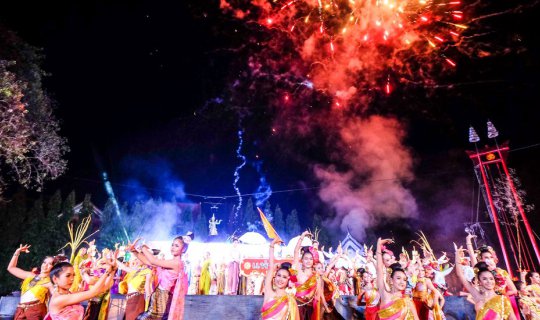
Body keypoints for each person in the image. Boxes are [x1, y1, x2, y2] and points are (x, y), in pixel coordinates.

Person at [127, 236, 187, 320]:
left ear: (183, 249)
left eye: (177, 246)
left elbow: (153, 261)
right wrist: (133, 251)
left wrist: (143, 247)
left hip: (163, 297)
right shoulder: (170, 261)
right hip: (158, 295)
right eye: (172, 245)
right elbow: (148, 262)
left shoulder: (177, 263)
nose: (173, 247)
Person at [455, 246, 517, 320]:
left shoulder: (502, 299)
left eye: (491, 279)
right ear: (480, 282)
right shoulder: (477, 295)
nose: (489, 281)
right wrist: (457, 257)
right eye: (484, 279)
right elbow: (460, 275)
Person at [47, 258, 116, 320]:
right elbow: (93, 292)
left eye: (73, 275)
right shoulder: (58, 299)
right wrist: (107, 272)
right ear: (55, 279)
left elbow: (103, 289)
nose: (72, 279)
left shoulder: (69, 294)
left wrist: (112, 271)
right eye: (68, 275)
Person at [376, 238, 419, 320]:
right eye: (398, 278)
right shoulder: (385, 296)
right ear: (391, 281)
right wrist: (378, 245)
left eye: (404, 279)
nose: (402, 282)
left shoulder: (408, 302)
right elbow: (379, 269)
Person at [7, 244, 54, 320]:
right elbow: (11, 268)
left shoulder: (50, 282)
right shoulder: (31, 276)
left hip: (36, 312)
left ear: (54, 267)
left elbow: (56, 297)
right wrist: (17, 252)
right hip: (21, 310)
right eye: (44, 262)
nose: (46, 265)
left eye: (50, 264)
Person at [261, 238, 299, 320]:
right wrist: (272, 246)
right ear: (274, 277)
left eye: (284, 277)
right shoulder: (269, 292)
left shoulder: (290, 300)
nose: (280, 279)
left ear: (288, 280)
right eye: (279, 275)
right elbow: (271, 267)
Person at [293, 231, 321, 320]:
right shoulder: (298, 271)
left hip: (310, 310)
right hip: (297, 308)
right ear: (302, 260)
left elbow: (318, 296)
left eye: (310, 259)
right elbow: (296, 251)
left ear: (313, 261)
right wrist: (302, 236)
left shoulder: (316, 277)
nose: (308, 261)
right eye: (306, 258)